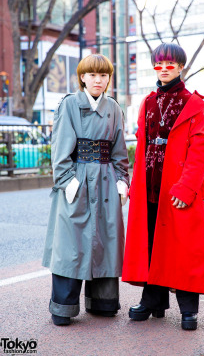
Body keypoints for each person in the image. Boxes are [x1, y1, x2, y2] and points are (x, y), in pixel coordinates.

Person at [122, 42, 204, 330]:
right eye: (159, 65)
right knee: (151, 243)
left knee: (184, 248)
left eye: (170, 65)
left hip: (177, 188)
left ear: (180, 67)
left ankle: (189, 308)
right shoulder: (148, 102)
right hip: (150, 184)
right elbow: (141, 146)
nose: (163, 70)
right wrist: (135, 184)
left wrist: (186, 188)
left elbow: (199, 152)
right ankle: (153, 300)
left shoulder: (194, 105)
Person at [42, 53, 129, 326]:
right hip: (77, 179)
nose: (98, 80)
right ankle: (63, 306)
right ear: (82, 77)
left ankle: (103, 301)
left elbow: (119, 151)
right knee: (71, 243)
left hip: (105, 180)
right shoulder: (69, 105)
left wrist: (122, 179)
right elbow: (60, 150)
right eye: (92, 75)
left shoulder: (113, 107)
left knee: (106, 239)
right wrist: (68, 181)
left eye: (103, 75)